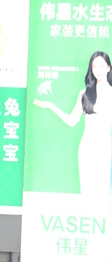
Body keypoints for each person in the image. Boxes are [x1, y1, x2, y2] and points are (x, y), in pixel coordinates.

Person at [34, 50, 112, 197]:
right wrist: (50, 106)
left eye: (102, 66)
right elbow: (71, 121)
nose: (98, 70)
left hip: (105, 150)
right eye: (94, 67)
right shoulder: (85, 94)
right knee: (87, 193)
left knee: (103, 194)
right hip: (86, 149)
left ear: (109, 67)